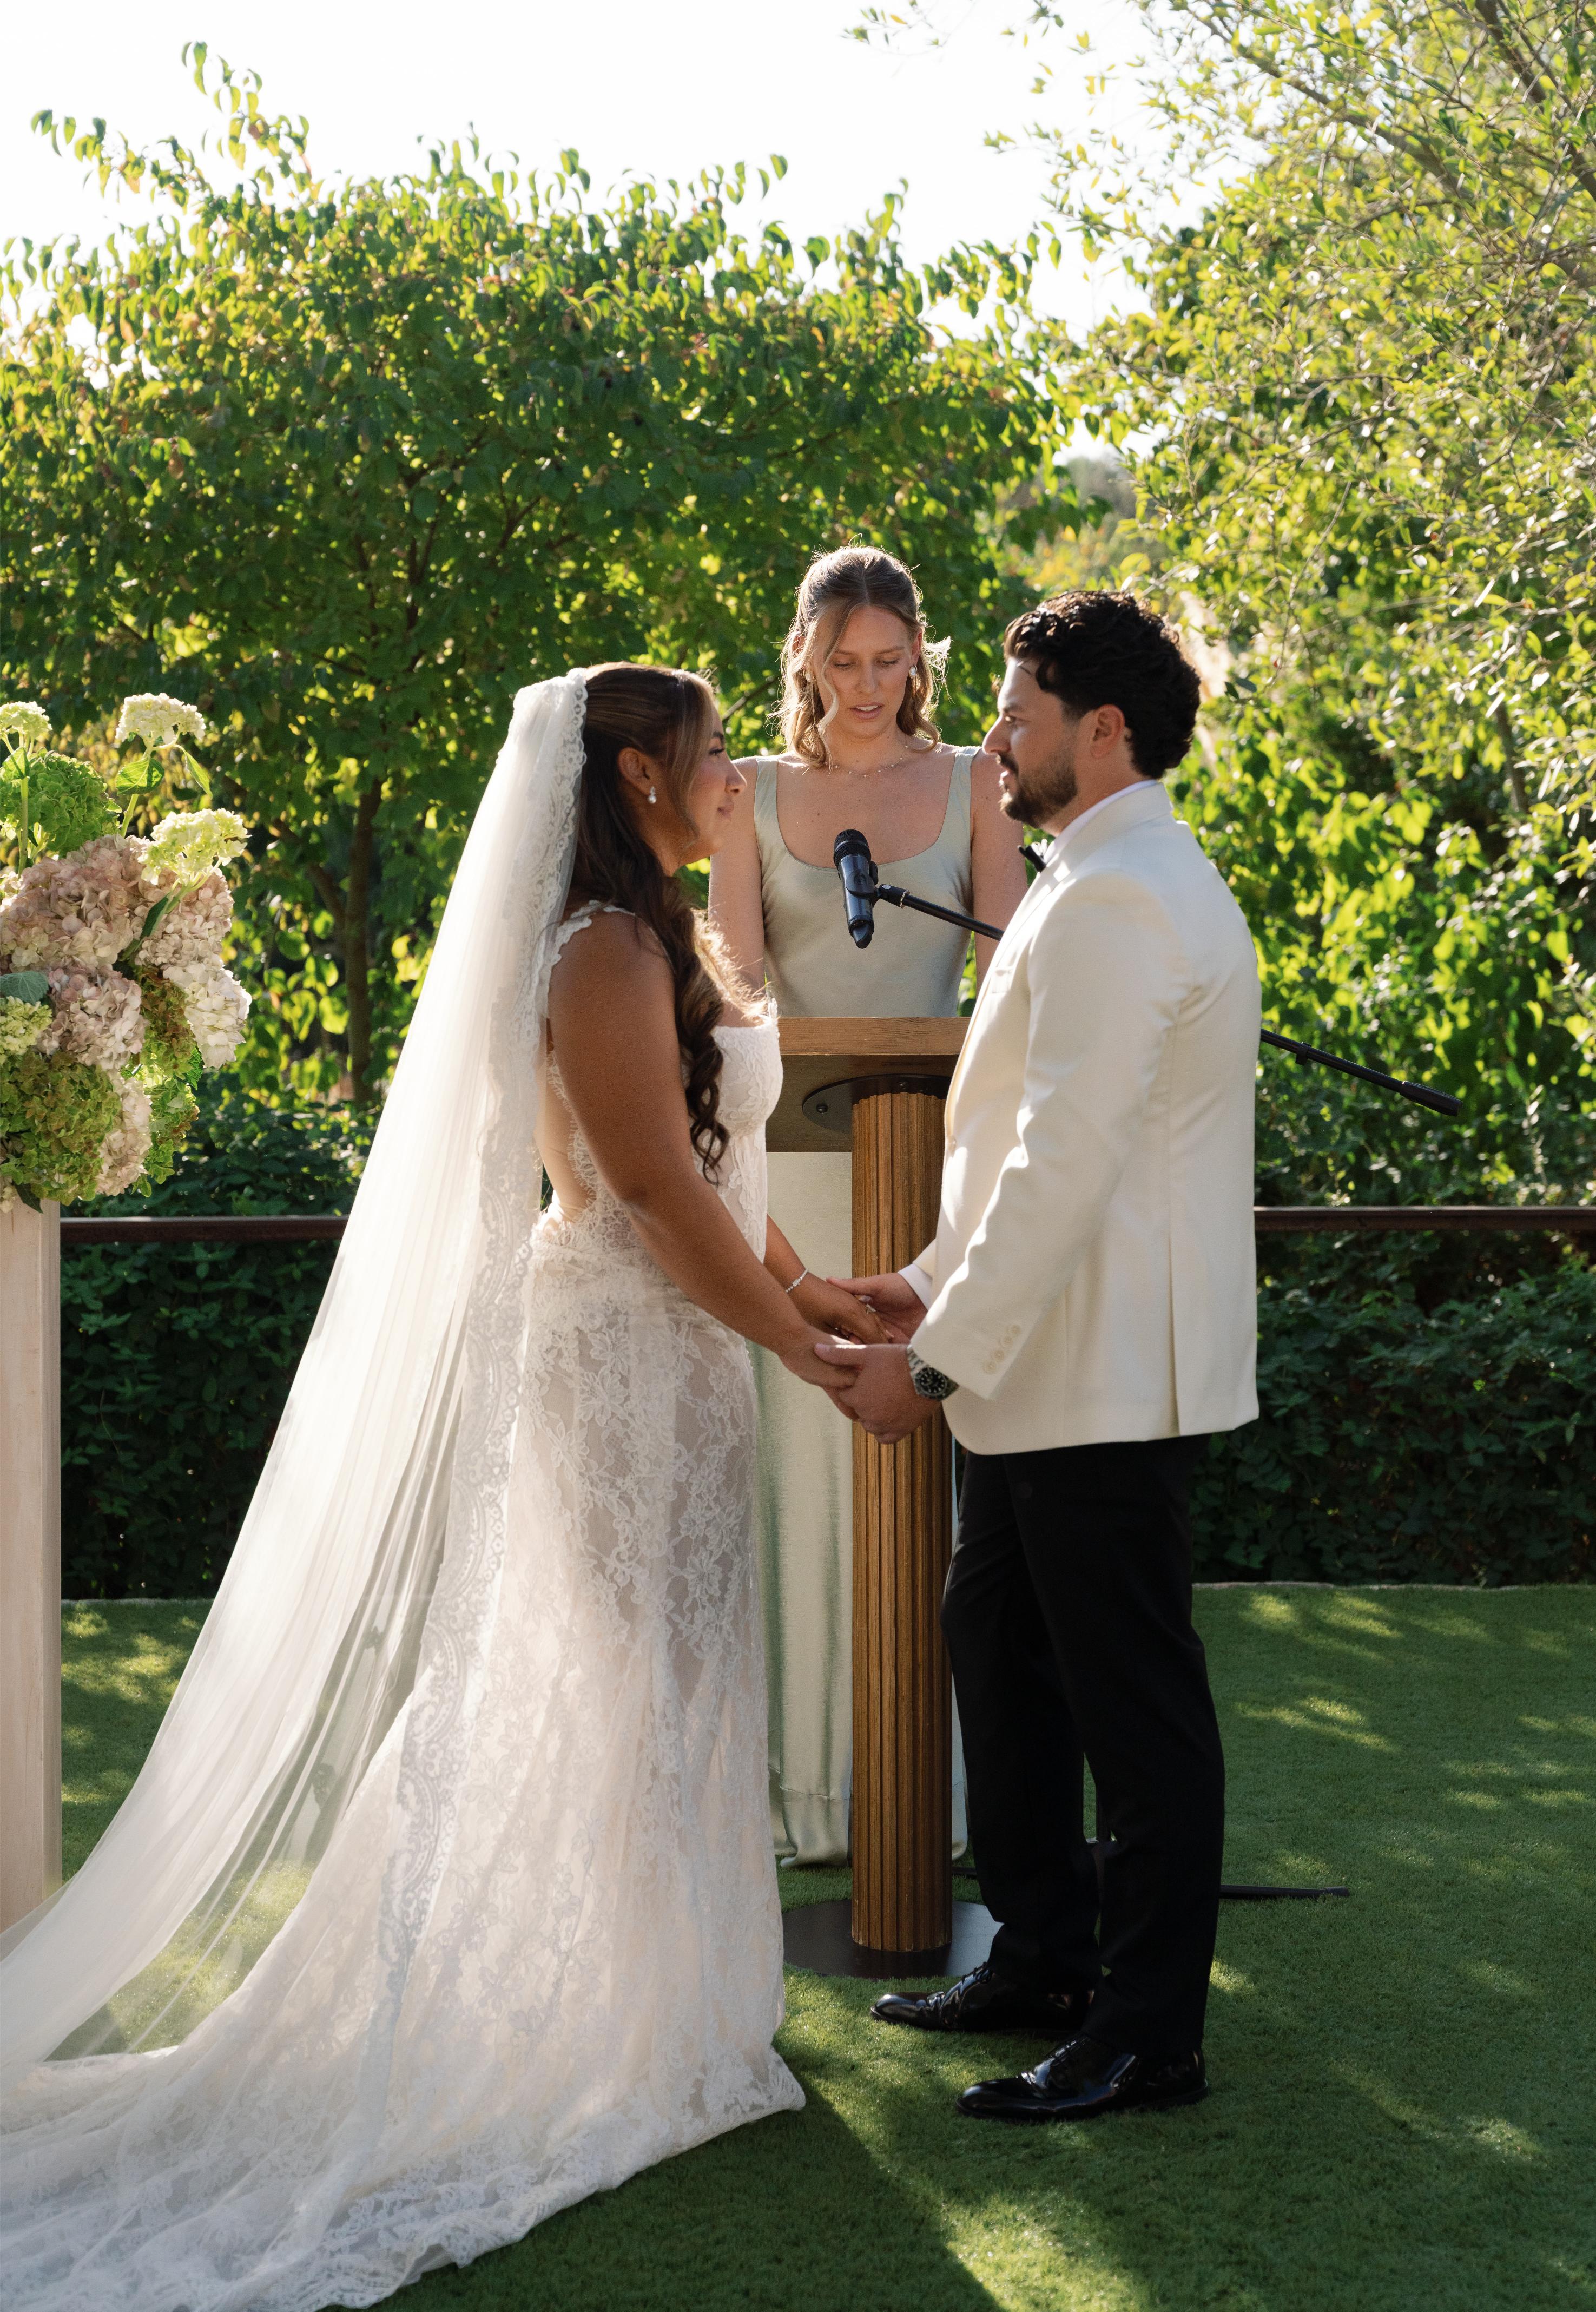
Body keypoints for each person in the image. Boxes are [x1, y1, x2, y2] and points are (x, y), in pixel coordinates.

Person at [0, 665, 879, 2310]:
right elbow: (640, 1194)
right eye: (703, 762)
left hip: (678, 1350)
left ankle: (670, 2005)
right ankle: (615, 2025)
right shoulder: (601, 952)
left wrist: (814, 1297)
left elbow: (705, 1172)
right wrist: (808, 1354)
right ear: (629, 777)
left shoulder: (655, 941)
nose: (727, 783)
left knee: (668, 1678)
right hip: (620, 1354)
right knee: (626, 1683)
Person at [821, 591, 1261, 2123]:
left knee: (1131, 1711)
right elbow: (1022, 1144)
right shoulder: (1096, 878)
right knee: (996, 1659)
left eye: (1016, 712)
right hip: (1031, 1359)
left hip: (1098, 1372)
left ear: (1102, 728)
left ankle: (1146, 2033)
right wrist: (918, 1283)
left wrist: (928, 1362)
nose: (993, 735)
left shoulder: (1125, 896)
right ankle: (1043, 1955)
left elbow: (1065, 1167)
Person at [711, 544, 1027, 1862]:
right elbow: (727, 994)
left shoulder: (976, 786)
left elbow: (1015, 979)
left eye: (887, 662)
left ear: (919, 660)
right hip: (792, 1173)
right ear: (804, 657)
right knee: (800, 1473)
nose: (864, 685)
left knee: (921, 1477)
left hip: (933, 1180)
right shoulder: (745, 795)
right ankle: (804, 1796)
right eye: (841, 662)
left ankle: (916, 1795)